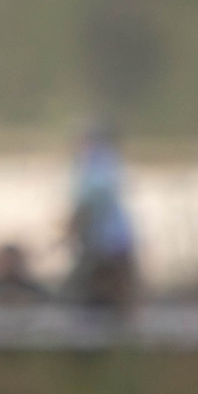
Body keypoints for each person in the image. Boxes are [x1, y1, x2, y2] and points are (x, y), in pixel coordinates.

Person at [69, 120, 139, 310]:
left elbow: (93, 199)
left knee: (101, 288)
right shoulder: (109, 162)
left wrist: (73, 226)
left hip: (106, 242)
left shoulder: (97, 163)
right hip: (111, 239)